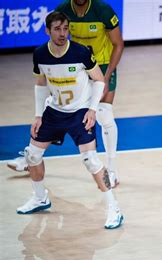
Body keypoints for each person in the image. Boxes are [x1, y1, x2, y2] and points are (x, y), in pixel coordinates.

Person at [16, 11, 124, 230]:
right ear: (47, 31)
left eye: (66, 28)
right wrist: (38, 115)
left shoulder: (80, 52)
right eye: (57, 29)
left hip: (80, 112)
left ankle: (114, 208)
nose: (62, 33)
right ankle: (40, 198)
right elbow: (40, 83)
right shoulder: (40, 54)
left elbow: (100, 80)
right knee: (32, 154)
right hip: (54, 111)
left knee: (91, 160)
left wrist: (92, 110)